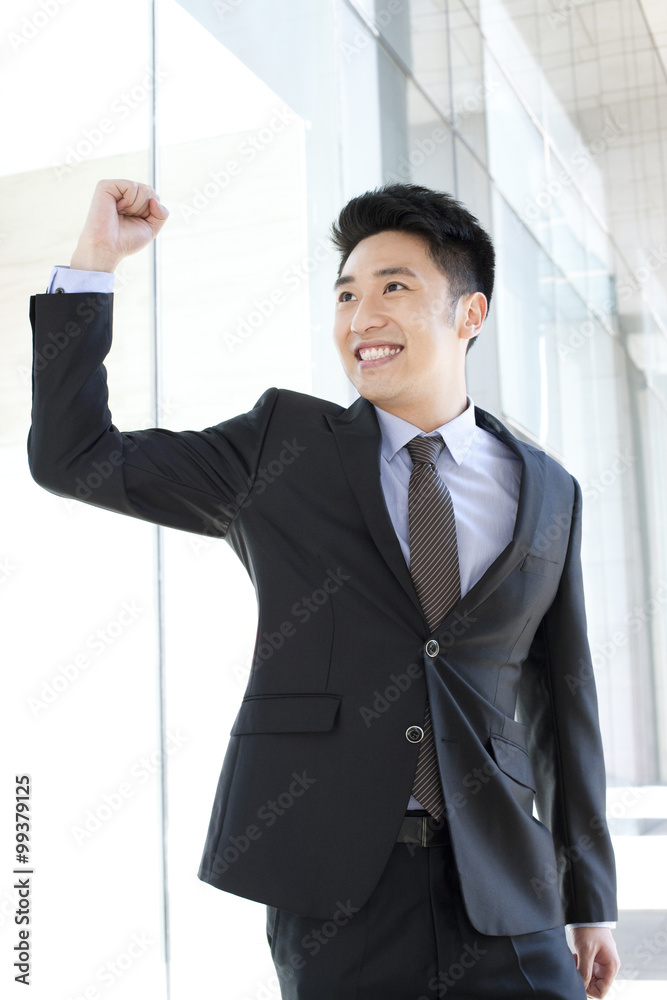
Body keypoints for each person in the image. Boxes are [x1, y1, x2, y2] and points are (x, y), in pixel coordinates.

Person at [29, 179, 621, 999]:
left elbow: (564, 701)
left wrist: (590, 897)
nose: (360, 318)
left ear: (469, 314)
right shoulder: (282, 448)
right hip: (337, 890)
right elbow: (75, 458)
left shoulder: (548, 490)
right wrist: (95, 265)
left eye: (393, 289)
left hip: (506, 885)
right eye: (345, 294)